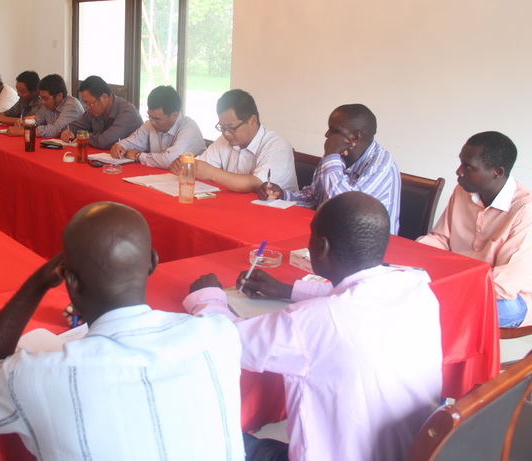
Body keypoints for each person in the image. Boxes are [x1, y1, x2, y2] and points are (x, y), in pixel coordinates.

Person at [0, 202, 245, 460]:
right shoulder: (219, 336)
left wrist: (37, 283)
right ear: (152, 262)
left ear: (70, 281)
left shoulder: (34, 375)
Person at [184, 192, 442, 461]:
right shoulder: (417, 289)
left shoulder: (315, 322)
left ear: (321, 247)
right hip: (409, 452)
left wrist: (208, 298)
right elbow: (354, 296)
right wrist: (288, 289)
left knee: (205, 435)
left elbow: (227, 343)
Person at [418, 131, 532, 328]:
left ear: (497, 172)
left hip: (509, 299)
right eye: (461, 163)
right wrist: (415, 257)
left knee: (436, 305)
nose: (459, 172)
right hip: (460, 281)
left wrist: (449, 286)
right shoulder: (463, 190)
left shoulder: (524, 211)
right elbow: (441, 238)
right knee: (412, 291)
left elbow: (503, 286)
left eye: (468, 166)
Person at [258, 103, 401, 233]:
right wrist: (282, 195)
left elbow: (345, 211)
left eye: (334, 130)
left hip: (371, 246)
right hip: (335, 235)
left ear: (355, 137)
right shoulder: (337, 156)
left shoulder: (382, 166)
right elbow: (315, 198)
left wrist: (331, 155)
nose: (326, 135)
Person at [171, 89, 297, 193]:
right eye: (222, 127)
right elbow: (201, 166)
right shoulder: (224, 140)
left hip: (275, 212)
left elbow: (258, 184)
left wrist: (212, 173)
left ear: (252, 120)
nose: (226, 133)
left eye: (231, 128)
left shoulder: (277, 146)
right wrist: (185, 166)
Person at [109, 85, 206, 168]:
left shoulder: (189, 129)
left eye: (157, 119)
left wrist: (138, 155)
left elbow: (170, 160)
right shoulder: (150, 124)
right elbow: (131, 142)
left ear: (174, 115)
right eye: (149, 116)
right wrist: (120, 147)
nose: (152, 122)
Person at [60, 75, 142, 149]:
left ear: (104, 97)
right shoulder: (94, 110)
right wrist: (67, 132)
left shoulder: (128, 113)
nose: (87, 108)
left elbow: (105, 141)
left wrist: (85, 136)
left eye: (89, 103)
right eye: (85, 104)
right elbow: (73, 126)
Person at [32, 74, 84, 138]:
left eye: (45, 98)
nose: (42, 101)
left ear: (59, 96)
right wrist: (24, 124)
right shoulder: (47, 104)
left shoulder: (72, 105)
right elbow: (36, 120)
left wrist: (29, 131)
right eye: (41, 97)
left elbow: (56, 130)